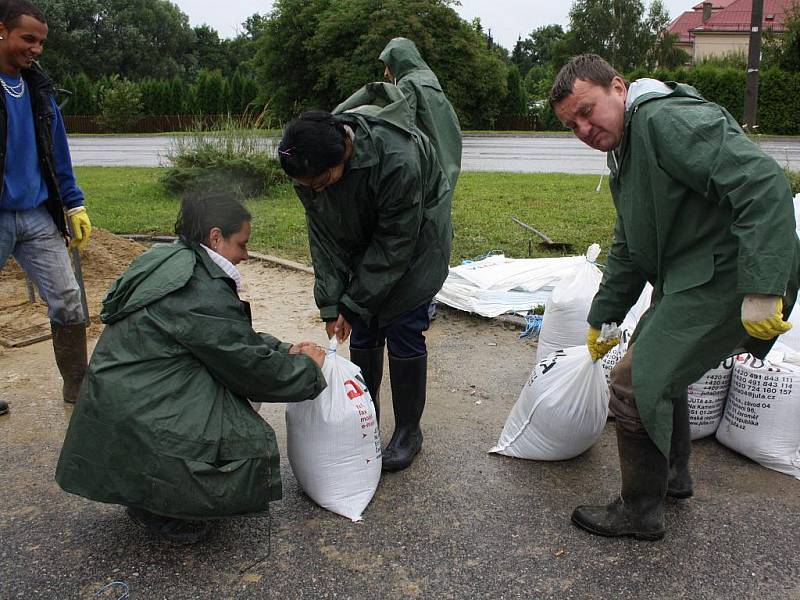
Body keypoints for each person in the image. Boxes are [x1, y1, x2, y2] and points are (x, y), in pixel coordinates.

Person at [549, 54, 800, 541]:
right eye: (571, 123)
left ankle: (639, 512)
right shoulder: (624, 150)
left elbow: (763, 184)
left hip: (730, 277)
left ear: (618, 88)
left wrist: (763, 287)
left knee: (633, 380)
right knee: (660, 364)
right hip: (692, 278)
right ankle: (673, 476)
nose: (582, 128)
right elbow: (629, 241)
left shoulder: (666, 120)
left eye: (587, 110)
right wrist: (605, 316)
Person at [55, 193, 327, 543]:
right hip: (142, 411)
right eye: (242, 245)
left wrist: (282, 348)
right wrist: (309, 370)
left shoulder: (170, 258)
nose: (246, 255)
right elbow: (247, 369)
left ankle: (146, 493)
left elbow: (223, 337)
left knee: (219, 390)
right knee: (233, 410)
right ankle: (166, 509)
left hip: (124, 403)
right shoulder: (199, 287)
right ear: (216, 237)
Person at [277, 88, 452, 472]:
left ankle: (408, 431)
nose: (313, 190)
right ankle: (364, 415)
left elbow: (395, 242)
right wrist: (333, 301)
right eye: (306, 186)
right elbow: (322, 237)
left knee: (403, 325)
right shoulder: (309, 168)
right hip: (367, 237)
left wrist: (354, 302)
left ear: (344, 150)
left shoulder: (397, 160)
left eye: (319, 182)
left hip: (416, 239)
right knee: (366, 328)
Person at [0, 0, 91, 415]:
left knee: (69, 299)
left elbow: (59, 153)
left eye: (41, 42)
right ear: (2, 31)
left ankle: (78, 387)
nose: (35, 49)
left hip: (36, 215)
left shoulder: (38, 90)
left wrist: (74, 204)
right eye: (28, 39)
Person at [336, 36, 462, 193]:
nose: (385, 73)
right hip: (446, 154)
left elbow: (400, 122)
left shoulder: (408, 84)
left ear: (398, 63)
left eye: (388, 66)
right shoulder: (429, 78)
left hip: (429, 160)